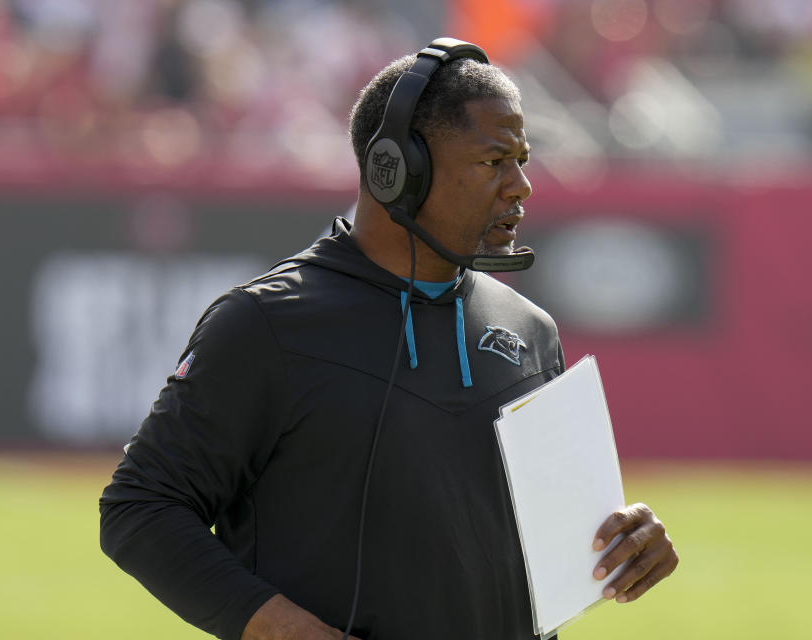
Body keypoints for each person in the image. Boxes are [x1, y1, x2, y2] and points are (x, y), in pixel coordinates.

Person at [99, 39, 678, 640]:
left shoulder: (532, 331)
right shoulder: (266, 324)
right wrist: (277, 627)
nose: (521, 186)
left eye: (522, 160)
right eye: (492, 161)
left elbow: (545, 542)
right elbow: (140, 507)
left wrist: (628, 541)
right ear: (395, 170)